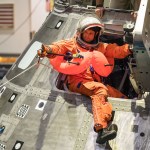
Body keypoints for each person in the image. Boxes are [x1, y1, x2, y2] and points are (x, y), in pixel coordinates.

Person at [38, 15, 132, 144]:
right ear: (81, 33)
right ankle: (102, 130)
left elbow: (117, 51)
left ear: (96, 35)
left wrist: (131, 48)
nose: (88, 36)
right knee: (99, 90)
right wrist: (48, 50)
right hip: (77, 82)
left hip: (93, 82)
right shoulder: (71, 44)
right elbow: (57, 48)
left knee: (121, 99)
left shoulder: (101, 47)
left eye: (91, 34)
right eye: (86, 33)